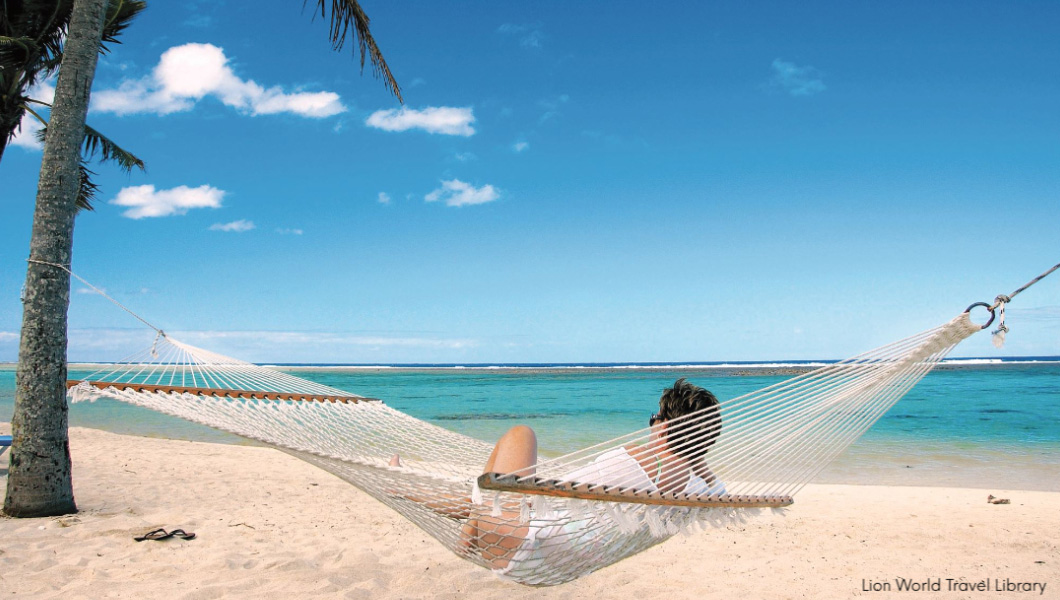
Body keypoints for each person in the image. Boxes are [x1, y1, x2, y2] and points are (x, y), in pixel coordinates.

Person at [461, 378, 725, 582]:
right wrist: (694, 458)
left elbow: (554, 493)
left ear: (665, 427)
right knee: (465, 498)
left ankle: (471, 524)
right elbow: (720, 489)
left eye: (655, 418)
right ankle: (472, 510)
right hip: (550, 569)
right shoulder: (697, 491)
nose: (651, 423)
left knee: (520, 435)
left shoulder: (635, 458)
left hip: (513, 546)